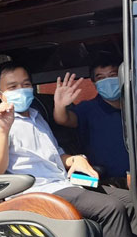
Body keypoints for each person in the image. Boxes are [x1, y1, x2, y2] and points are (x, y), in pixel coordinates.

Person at [0, 61, 137, 237]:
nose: (22, 90)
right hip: (37, 192)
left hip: (64, 183)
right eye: (13, 86)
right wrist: (3, 129)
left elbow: (56, 155)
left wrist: (75, 160)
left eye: (26, 84)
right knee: (111, 208)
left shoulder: (36, 117)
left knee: (131, 200)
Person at [52, 53, 129, 182]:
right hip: (109, 180)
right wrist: (59, 105)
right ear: (94, 83)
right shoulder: (88, 108)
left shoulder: (132, 104)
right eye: (101, 77)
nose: (108, 81)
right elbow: (63, 119)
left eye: (112, 75)